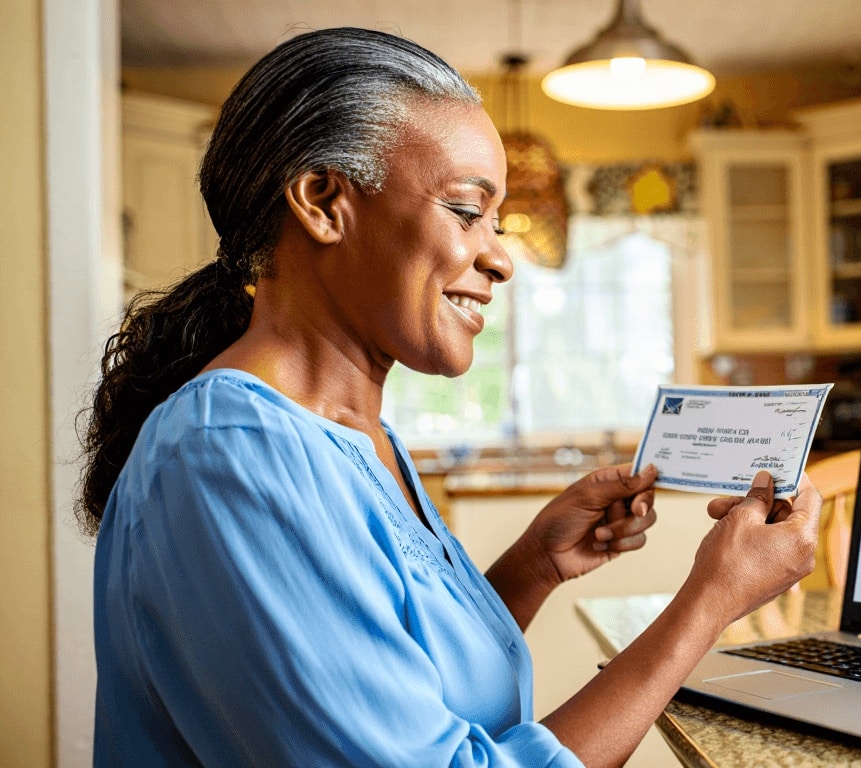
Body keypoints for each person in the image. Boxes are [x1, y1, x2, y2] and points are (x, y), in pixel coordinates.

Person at [79, 27, 822, 768]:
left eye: (497, 222)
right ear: (323, 201)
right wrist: (710, 601)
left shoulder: (360, 439)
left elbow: (405, 686)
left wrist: (535, 565)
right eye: (467, 211)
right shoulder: (233, 456)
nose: (499, 257)